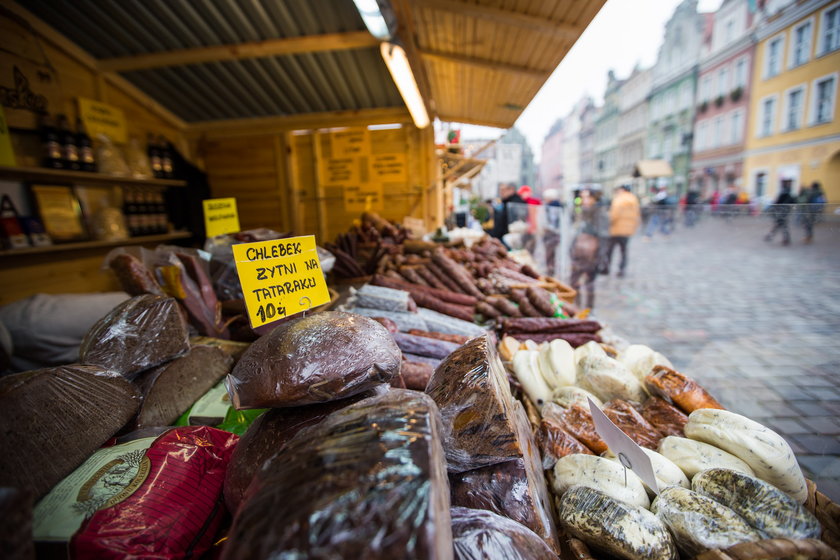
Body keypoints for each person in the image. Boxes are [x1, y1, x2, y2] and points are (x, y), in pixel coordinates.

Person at [569, 189, 605, 310]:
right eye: (582, 197)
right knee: (574, 281)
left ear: (594, 198)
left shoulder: (599, 213)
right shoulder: (581, 211)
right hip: (579, 251)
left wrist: (599, 254)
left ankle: (589, 308)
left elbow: (602, 234)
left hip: (591, 253)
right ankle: (576, 306)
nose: (584, 200)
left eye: (587, 197)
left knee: (589, 282)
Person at [605, 185, 641, 277]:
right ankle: (622, 269)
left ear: (622, 190)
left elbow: (614, 214)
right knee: (624, 251)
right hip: (627, 230)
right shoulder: (633, 199)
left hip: (616, 229)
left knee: (610, 250)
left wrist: (608, 222)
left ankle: (606, 268)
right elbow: (637, 215)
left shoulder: (619, 199)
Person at [490, 182, 526, 247]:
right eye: (500, 190)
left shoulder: (515, 203)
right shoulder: (506, 202)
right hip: (503, 237)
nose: (501, 192)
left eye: (503, 190)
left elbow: (516, 223)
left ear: (511, 190)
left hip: (510, 240)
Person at [541, 189, 563, 277]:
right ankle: (551, 268)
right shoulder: (558, 205)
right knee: (551, 253)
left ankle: (550, 269)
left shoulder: (552, 206)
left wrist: (546, 228)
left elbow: (552, 221)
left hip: (552, 233)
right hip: (556, 233)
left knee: (549, 253)